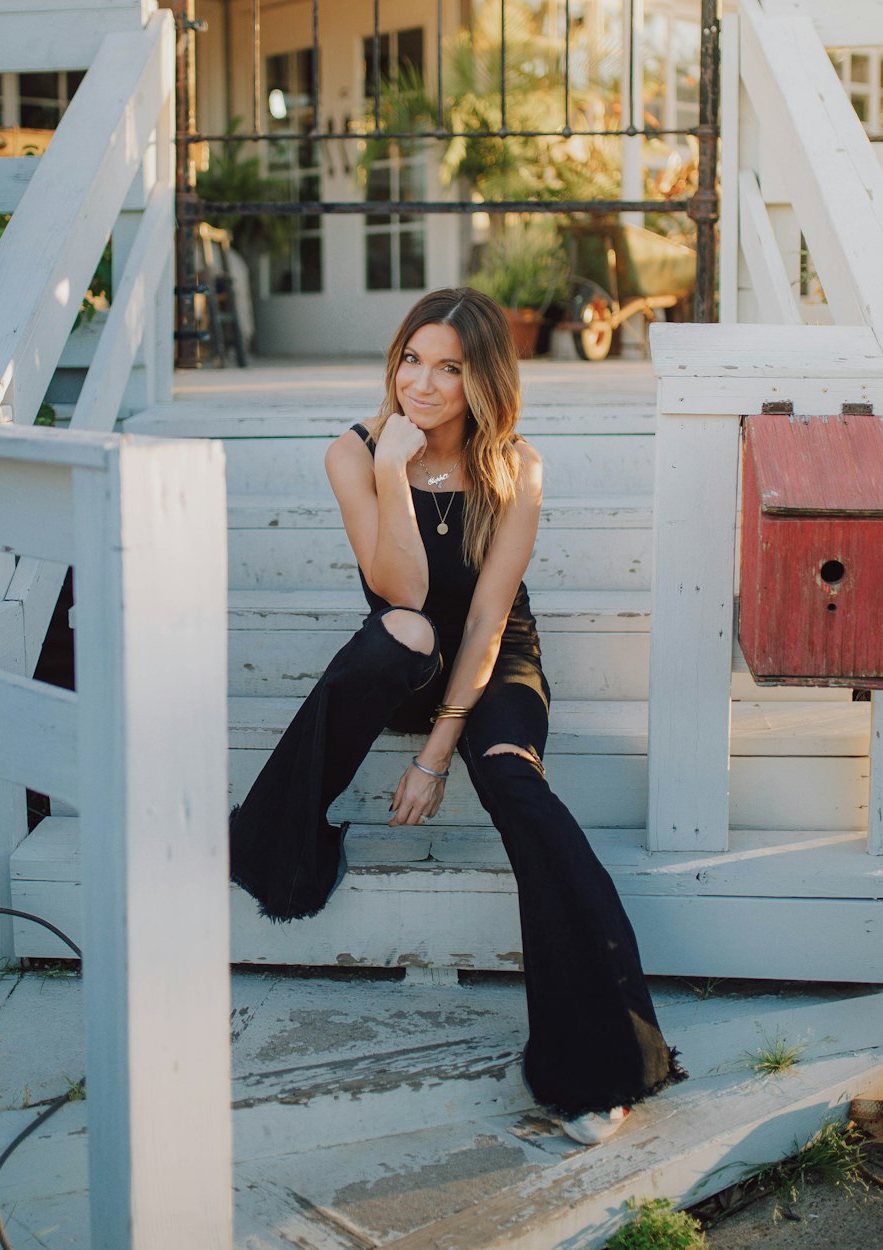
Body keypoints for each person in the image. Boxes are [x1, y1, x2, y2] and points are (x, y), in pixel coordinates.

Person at [229, 287, 686, 1144]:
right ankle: (272, 836)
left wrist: (440, 753)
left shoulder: (517, 466)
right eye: (411, 359)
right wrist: (392, 472)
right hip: (405, 653)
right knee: (395, 634)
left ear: (483, 381)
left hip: (494, 659)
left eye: (449, 367)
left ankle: (602, 1060)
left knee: (515, 781)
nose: (423, 384)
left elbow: (484, 620)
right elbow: (400, 591)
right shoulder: (354, 453)